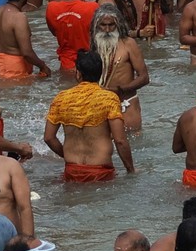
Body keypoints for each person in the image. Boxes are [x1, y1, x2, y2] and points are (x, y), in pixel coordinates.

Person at [43, 50, 135, 182]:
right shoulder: (108, 99)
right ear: (101, 73)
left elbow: (48, 138)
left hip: (71, 171)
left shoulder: (61, 99)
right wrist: (131, 170)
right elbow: (120, 140)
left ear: (78, 73)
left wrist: (67, 155)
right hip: (101, 172)